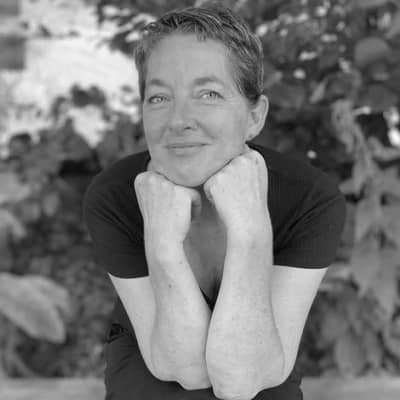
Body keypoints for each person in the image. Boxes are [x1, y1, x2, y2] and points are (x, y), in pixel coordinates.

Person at [82, 2, 346, 399]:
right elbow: (184, 369)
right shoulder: (115, 195)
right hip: (151, 364)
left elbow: (243, 380)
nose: (178, 121)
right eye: (159, 98)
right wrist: (162, 243)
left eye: (208, 94)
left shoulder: (310, 200)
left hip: (258, 368)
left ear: (254, 117)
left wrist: (250, 229)